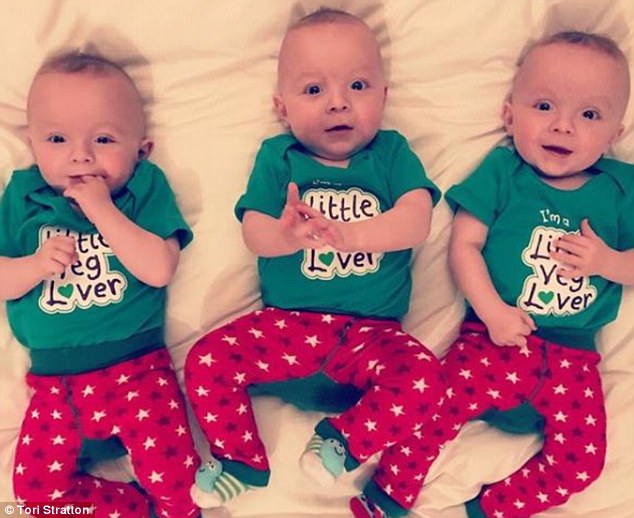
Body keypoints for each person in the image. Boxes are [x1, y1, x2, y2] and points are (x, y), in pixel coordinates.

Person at [183, 8, 445, 517]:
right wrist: (286, 236)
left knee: (425, 377)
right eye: (313, 90)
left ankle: (343, 443)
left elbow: (417, 221)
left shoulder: (391, 154)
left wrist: (354, 235)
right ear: (282, 108)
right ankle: (241, 460)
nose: (338, 102)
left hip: (371, 337)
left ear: (384, 96)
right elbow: (254, 233)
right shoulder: (279, 157)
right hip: (286, 329)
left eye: (358, 86)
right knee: (206, 361)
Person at [375, 31, 634, 518]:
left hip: (573, 358)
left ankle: (492, 508)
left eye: (589, 115)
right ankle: (389, 491)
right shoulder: (503, 172)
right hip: (492, 341)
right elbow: (464, 245)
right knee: (431, 408)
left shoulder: (622, 190)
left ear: (615, 134)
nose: (563, 126)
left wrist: (608, 263)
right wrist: (492, 311)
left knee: (582, 463)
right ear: (509, 114)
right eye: (544, 106)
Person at [0, 52, 200, 518]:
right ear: (32, 145)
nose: (81, 155)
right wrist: (34, 265)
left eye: (104, 139)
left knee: (176, 480)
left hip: (138, 373)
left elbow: (159, 269)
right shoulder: (24, 197)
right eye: (57, 139)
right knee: (35, 499)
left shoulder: (142, 190)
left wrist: (102, 210)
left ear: (141, 151)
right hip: (55, 386)